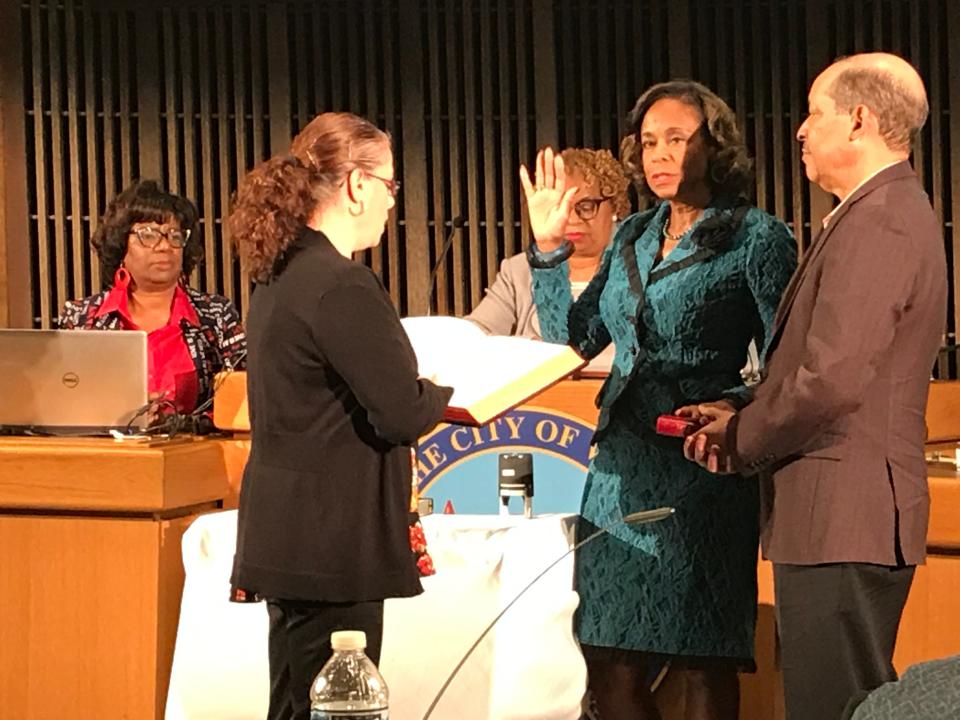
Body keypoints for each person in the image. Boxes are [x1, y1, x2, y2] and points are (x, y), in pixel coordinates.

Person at [522, 81, 797, 720]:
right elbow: (573, 337)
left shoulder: (755, 237)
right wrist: (547, 250)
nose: (659, 154)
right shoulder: (633, 236)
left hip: (700, 467)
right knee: (608, 658)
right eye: (649, 142)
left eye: (677, 139)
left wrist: (734, 403)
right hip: (618, 470)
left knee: (702, 660)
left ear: (716, 147)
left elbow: (789, 360)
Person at [684, 53, 946, 720]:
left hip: (845, 516)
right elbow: (826, 366)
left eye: (814, 113)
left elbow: (830, 379)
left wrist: (742, 438)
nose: (799, 130)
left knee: (835, 707)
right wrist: (741, 407)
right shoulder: (875, 211)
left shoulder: (882, 217)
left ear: (858, 121)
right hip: (836, 515)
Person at [228, 111, 452, 720]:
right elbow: (401, 413)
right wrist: (442, 393)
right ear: (356, 185)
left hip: (292, 533)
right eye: (389, 186)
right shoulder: (341, 283)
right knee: (333, 711)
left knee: (297, 708)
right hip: (330, 543)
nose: (389, 203)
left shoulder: (280, 274)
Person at [58, 180, 246, 417]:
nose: (164, 246)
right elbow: (64, 400)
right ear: (120, 245)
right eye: (148, 235)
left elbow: (241, 400)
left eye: (174, 236)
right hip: (106, 451)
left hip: (194, 449)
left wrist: (178, 424)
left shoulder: (216, 314)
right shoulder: (82, 318)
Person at [466, 148, 630, 339]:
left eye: (586, 207)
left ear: (615, 207)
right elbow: (476, 332)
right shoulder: (518, 272)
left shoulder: (640, 264)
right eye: (560, 208)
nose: (572, 219)